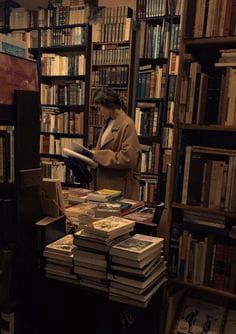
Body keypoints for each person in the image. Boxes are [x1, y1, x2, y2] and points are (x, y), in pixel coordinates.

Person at [91, 88, 141, 200]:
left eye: (100, 108)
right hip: (104, 184)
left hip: (117, 187)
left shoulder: (127, 124)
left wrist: (97, 155)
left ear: (109, 106)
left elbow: (128, 158)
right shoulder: (108, 122)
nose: (98, 112)